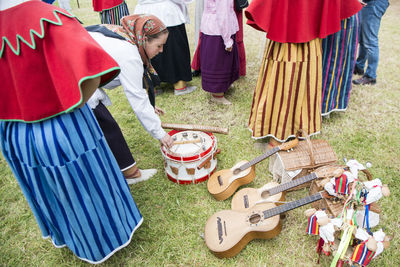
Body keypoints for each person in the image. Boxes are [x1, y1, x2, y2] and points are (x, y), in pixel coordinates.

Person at [0, 0, 142, 264]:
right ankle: (102, 242)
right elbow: (90, 76)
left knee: (47, 187)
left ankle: (70, 236)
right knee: (86, 185)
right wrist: (73, 108)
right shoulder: (49, 16)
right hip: (62, 126)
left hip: (13, 133)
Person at [246, 0, 362, 147]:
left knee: (285, 81)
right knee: (301, 81)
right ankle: (291, 133)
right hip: (301, 40)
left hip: (288, 37)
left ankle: (285, 134)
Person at [86, 15, 174, 184]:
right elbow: (137, 99)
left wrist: (150, 107)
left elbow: (136, 90)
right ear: (145, 40)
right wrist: (160, 133)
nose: (161, 50)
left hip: (76, 67)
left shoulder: (130, 39)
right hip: (68, 71)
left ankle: (116, 168)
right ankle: (130, 174)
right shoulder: (130, 54)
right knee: (104, 122)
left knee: (100, 123)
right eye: (159, 45)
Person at [134, 0, 197, 96]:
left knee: (150, 48)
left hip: (144, 12)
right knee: (175, 49)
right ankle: (179, 86)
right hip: (166, 12)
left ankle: (154, 86)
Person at [199, 0, 239, 105]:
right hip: (218, 29)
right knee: (219, 61)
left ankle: (224, 85)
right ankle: (217, 94)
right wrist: (227, 40)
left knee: (224, 60)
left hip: (214, 25)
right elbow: (222, 14)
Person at [321, 13, 361, 116]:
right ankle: (325, 105)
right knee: (330, 60)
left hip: (344, 18)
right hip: (337, 17)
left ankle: (327, 105)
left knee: (336, 62)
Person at [353, 0, 389, 85]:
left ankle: (370, 76)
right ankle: (359, 67)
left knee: (370, 41)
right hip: (370, 2)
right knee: (363, 38)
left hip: (374, 3)